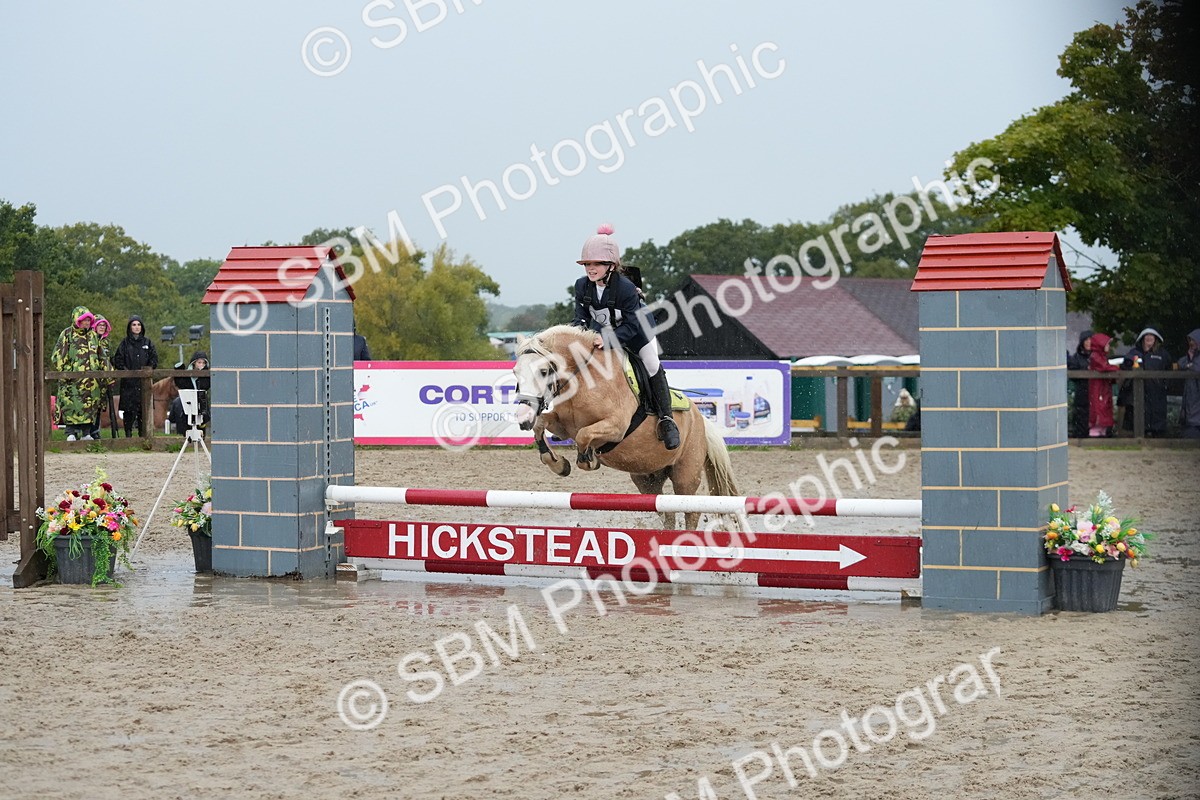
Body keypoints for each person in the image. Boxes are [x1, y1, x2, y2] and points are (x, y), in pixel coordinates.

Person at [571, 223, 680, 450]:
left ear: (611, 265)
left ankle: (666, 419)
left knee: (651, 364)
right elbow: (580, 319)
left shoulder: (626, 288)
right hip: (604, 333)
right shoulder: (582, 286)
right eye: (587, 264)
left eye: (597, 264)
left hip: (638, 333)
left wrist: (608, 339)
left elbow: (631, 326)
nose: (591, 268)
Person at [51, 306, 107, 441]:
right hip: (72, 382)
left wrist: (106, 374)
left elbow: (102, 357)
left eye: (89, 320)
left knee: (89, 406)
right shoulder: (67, 334)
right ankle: (71, 432)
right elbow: (57, 356)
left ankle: (86, 432)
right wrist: (67, 372)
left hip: (91, 382)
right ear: (77, 320)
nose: (87, 323)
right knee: (71, 405)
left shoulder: (93, 336)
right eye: (84, 320)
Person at [1117, 326, 1172, 436]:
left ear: (1156, 338)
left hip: (1157, 394)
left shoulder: (1163, 354)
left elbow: (1169, 371)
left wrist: (1164, 386)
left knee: (1157, 422)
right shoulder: (1134, 353)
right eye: (1146, 335)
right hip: (1138, 395)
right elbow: (1125, 366)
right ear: (1142, 338)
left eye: (1152, 335)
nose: (1149, 337)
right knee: (1139, 421)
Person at [112, 315, 159, 437]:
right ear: (130, 327)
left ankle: (144, 437)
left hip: (144, 384)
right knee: (128, 411)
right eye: (134, 324)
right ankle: (128, 436)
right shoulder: (124, 343)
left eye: (138, 324)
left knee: (143, 411)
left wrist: (147, 371)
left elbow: (154, 360)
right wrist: (127, 373)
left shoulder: (148, 343)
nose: (136, 327)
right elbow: (118, 360)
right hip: (129, 384)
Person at [168, 351, 211, 435]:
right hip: (188, 400)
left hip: (200, 400)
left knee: (202, 403)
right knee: (178, 403)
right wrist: (179, 370)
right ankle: (180, 430)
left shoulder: (206, 375)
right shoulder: (188, 374)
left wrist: (202, 373)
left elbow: (206, 386)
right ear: (194, 363)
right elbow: (180, 384)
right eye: (199, 362)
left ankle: (202, 426)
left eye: (203, 363)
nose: (201, 365)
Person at [1087, 333, 1120, 437]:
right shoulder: (1096, 356)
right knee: (1099, 408)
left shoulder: (1101, 356)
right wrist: (1117, 369)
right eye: (1107, 344)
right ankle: (1095, 434)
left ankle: (1102, 433)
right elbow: (1104, 367)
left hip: (1103, 388)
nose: (1109, 347)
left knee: (1104, 408)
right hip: (1098, 388)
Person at [1066, 330, 1093, 438]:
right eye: (1086, 340)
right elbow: (1072, 372)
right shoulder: (1076, 358)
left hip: (1095, 392)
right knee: (1080, 413)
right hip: (1082, 391)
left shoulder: (1097, 356)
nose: (1088, 342)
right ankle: (1080, 434)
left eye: (1090, 340)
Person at [1179, 328, 1200, 439]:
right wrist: (1190, 358)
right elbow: (1180, 364)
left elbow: (1196, 368)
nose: (1191, 343)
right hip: (1190, 407)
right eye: (1190, 341)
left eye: (1194, 341)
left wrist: (1190, 365)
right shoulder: (1188, 358)